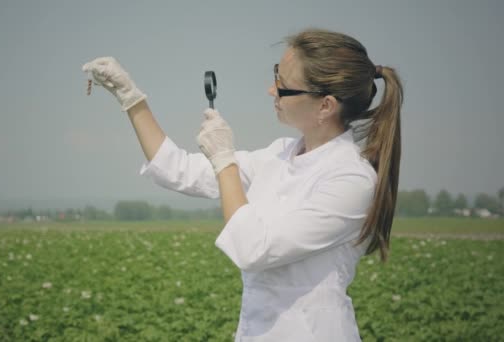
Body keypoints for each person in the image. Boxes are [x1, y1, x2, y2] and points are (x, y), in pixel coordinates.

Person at [82, 28, 402, 341]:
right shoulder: (279, 155)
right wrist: (130, 97)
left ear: (325, 106)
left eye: (283, 85)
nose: (271, 91)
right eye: (277, 75)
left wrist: (224, 160)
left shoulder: (350, 179)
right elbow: (177, 168)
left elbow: (253, 249)